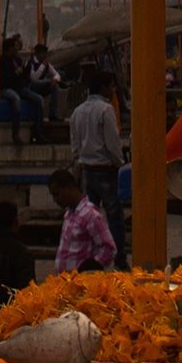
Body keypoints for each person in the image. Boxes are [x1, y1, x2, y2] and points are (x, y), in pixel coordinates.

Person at [68, 73, 126, 259]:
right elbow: (113, 143)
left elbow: (74, 144)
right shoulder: (105, 109)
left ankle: (90, 257)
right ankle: (119, 257)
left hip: (87, 169)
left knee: (88, 219)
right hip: (105, 169)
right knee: (114, 216)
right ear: (103, 88)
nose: (113, 91)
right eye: (110, 87)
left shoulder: (78, 111)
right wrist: (119, 163)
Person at [47, 169, 115, 274]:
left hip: (80, 282)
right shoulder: (69, 213)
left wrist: (91, 270)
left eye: (57, 194)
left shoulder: (90, 215)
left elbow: (109, 248)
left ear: (68, 188)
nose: (55, 199)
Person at [0, 37, 41, 145]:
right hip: (6, 88)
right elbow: (4, 79)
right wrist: (16, 73)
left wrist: (27, 68)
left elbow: (23, 77)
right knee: (16, 100)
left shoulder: (17, 60)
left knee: (39, 99)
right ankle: (15, 133)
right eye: (15, 46)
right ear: (9, 48)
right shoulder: (1, 61)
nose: (17, 49)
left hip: (19, 87)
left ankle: (37, 131)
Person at [24, 44, 63, 123]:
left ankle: (52, 114)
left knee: (55, 86)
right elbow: (34, 78)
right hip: (30, 87)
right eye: (43, 53)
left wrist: (55, 79)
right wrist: (42, 66)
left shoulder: (46, 64)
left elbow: (57, 74)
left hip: (41, 86)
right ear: (37, 53)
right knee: (48, 82)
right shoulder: (30, 62)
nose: (44, 56)